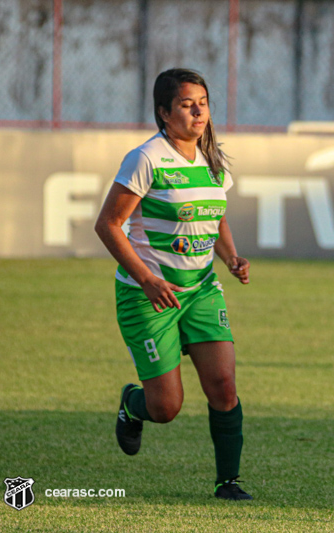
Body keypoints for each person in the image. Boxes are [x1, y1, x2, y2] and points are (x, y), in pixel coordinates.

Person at [95, 68, 252, 501]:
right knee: (166, 408)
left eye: (202, 101)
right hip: (147, 295)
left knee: (223, 386)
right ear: (164, 112)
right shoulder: (146, 158)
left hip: (200, 289)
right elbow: (108, 225)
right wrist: (146, 279)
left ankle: (228, 482)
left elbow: (215, 215)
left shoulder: (213, 158)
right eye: (186, 104)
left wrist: (231, 256)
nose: (198, 111)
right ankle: (133, 404)